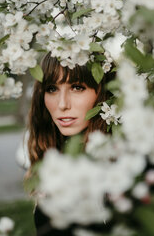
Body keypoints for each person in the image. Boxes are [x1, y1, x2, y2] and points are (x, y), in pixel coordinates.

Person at [26, 52, 115, 236]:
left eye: (77, 87)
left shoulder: (125, 161)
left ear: (103, 92)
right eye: (51, 89)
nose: (62, 104)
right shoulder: (52, 155)